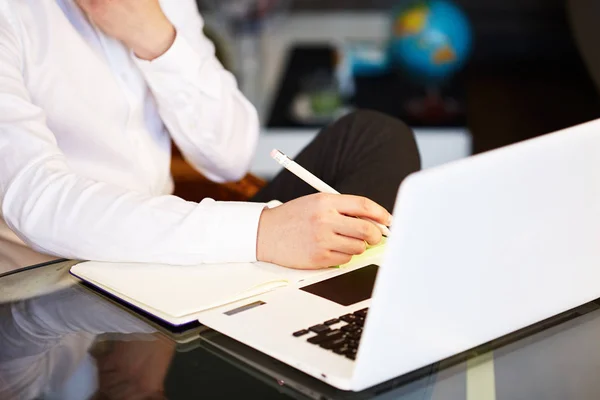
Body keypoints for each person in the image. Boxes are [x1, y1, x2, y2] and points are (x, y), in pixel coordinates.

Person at [0, 0, 420, 271]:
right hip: (51, 276)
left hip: (167, 248)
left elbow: (230, 155)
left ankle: (341, 315)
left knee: (375, 136)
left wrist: (156, 39)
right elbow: (34, 200)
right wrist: (261, 234)